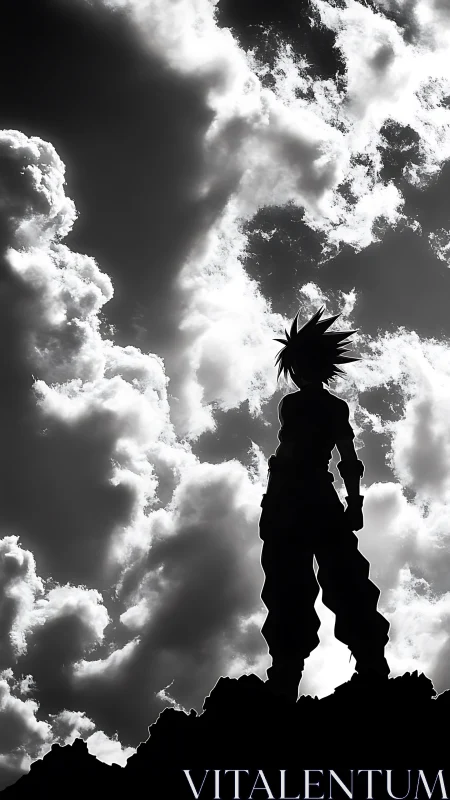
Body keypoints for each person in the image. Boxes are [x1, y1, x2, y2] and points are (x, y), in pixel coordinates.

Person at [260, 306, 390, 702]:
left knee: (330, 579)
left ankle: (362, 662)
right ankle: (291, 671)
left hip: (300, 497)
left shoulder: (307, 406)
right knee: (296, 584)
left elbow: (346, 458)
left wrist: (354, 502)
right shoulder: (323, 407)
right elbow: (346, 459)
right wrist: (353, 502)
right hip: (299, 498)